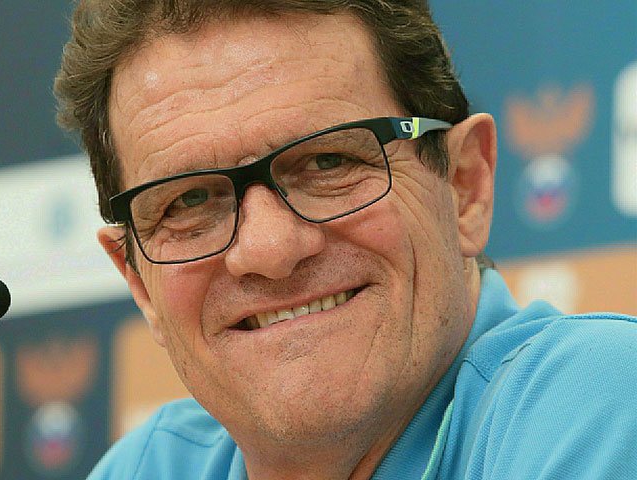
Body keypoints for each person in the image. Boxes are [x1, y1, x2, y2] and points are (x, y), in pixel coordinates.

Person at [54, 1, 636, 479]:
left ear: (464, 187)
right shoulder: (153, 467)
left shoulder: (601, 405)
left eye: (328, 162)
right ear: (141, 285)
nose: (269, 251)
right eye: (189, 201)